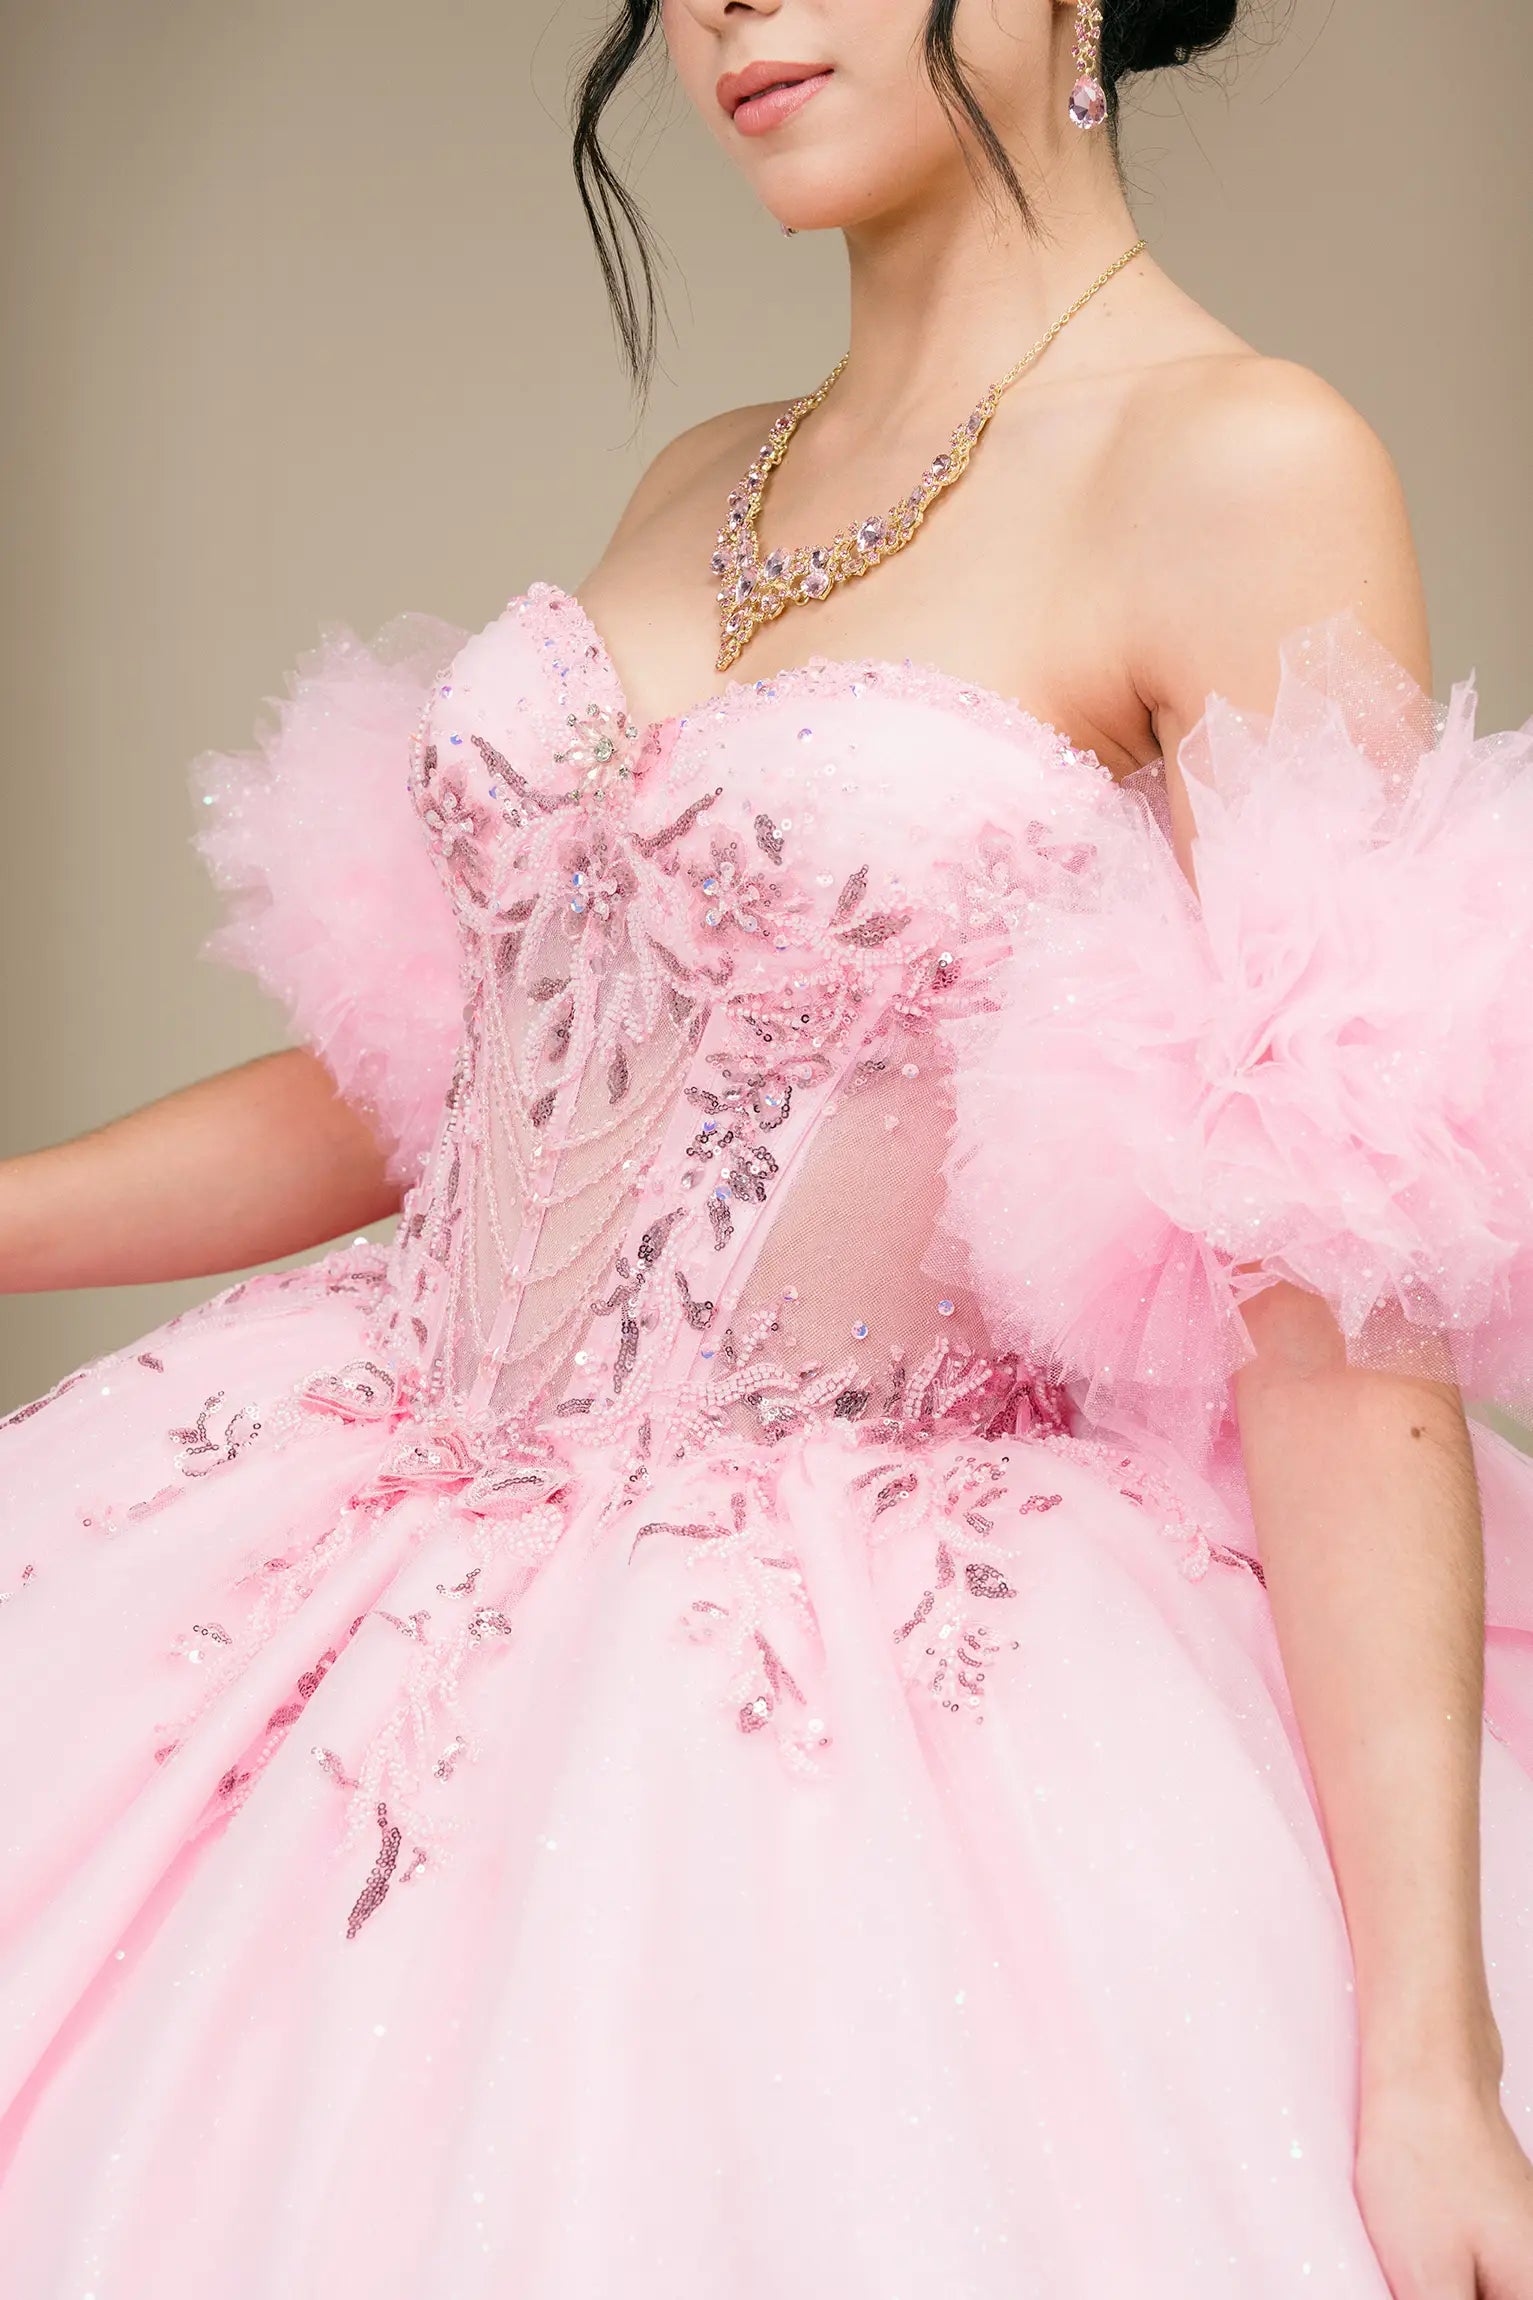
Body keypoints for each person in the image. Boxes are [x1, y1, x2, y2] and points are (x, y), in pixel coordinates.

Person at [2, 0, 1531, 2291]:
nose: (725, 4)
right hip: (365, 1544)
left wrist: (1428, 2060)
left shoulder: (1239, 461)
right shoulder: (706, 474)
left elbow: (1327, 1269)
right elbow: (445, 1084)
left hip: (859, 1697)